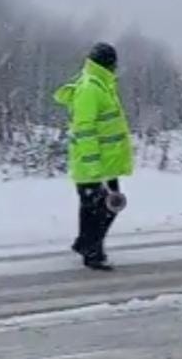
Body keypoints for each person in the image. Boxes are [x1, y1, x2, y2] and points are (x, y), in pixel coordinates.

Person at [54, 42, 133, 270]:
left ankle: (88, 245)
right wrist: (92, 166)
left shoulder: (100, 84)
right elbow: (85, 129)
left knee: (93, 207)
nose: (116, 68)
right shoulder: (91, 88)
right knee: (107, 206)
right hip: (95, 164)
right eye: (114, 64)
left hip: (104, 163)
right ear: (107, 64)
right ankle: (91, 250)